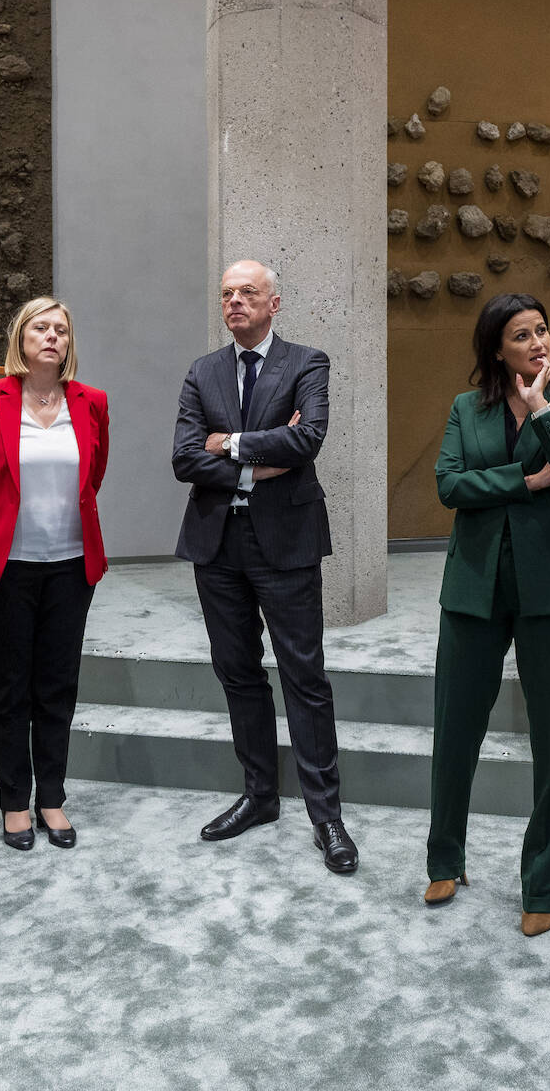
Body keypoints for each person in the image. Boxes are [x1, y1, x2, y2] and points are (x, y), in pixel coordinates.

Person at [426, 293, 550, 937]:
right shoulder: (464, 409)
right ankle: (445, 857)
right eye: (520, 335)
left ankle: (543, 885)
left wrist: (542, 411)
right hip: (476, 586)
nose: (537, 343)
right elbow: (449, 485)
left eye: (542, 330)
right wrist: (525, 482)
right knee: (454, 728)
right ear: (496, 349)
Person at [171, 259, 356, 875]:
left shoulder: (307, 362)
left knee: (304, 676)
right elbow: (183, 458)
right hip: (218, 544)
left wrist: (230, 443)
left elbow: (309, 440)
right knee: (238, 672)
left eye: (247, 293)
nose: (234, 302)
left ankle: (325, 813)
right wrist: (256, 459)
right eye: (226, 294)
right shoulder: (204, 372)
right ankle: (259, 794)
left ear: (274, 304)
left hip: (286, 541)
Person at [0, 296, 109, 853]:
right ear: (20, 337)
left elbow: (94, 478)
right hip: (5, 571)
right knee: (9, 689)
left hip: (70, 568)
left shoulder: (92, 403)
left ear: (70, 342)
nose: (51, 337)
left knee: (58, 687)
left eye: (61, 330)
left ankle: (52, 799)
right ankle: (15, 801)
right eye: (40, 328)